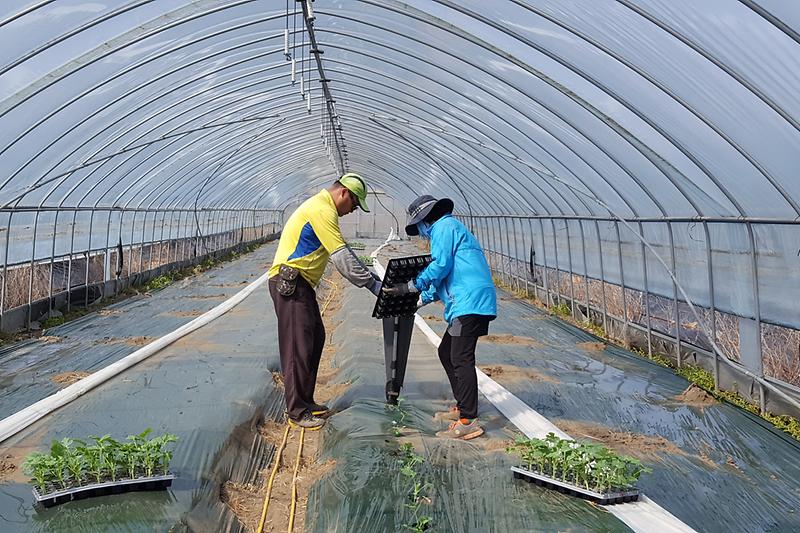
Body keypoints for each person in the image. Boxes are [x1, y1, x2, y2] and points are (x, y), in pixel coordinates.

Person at [268, 173, 381, 429]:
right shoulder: (322, 210)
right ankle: (297, 411)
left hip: (301, 285)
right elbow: (341, 258)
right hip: (291, 283)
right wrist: (373, 285)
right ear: (343, 194)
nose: (352, 211)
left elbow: (343, 249)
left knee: (314, 339)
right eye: (353, 204)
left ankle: (306, 401)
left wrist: (372, 276)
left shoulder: (323, 208)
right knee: (298, 346)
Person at [385, 195, 496, 440]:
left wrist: (412, 285)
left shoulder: (444, 227)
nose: (421, 232)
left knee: (460, 356)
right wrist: (418, 300)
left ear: (426, 219)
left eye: (420, 227)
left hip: (470, 301)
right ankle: (462, 407)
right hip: (466, 300)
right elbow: (443, 277)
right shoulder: (447, 229)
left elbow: (441, 265)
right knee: (446, 352)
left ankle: (468, 420)